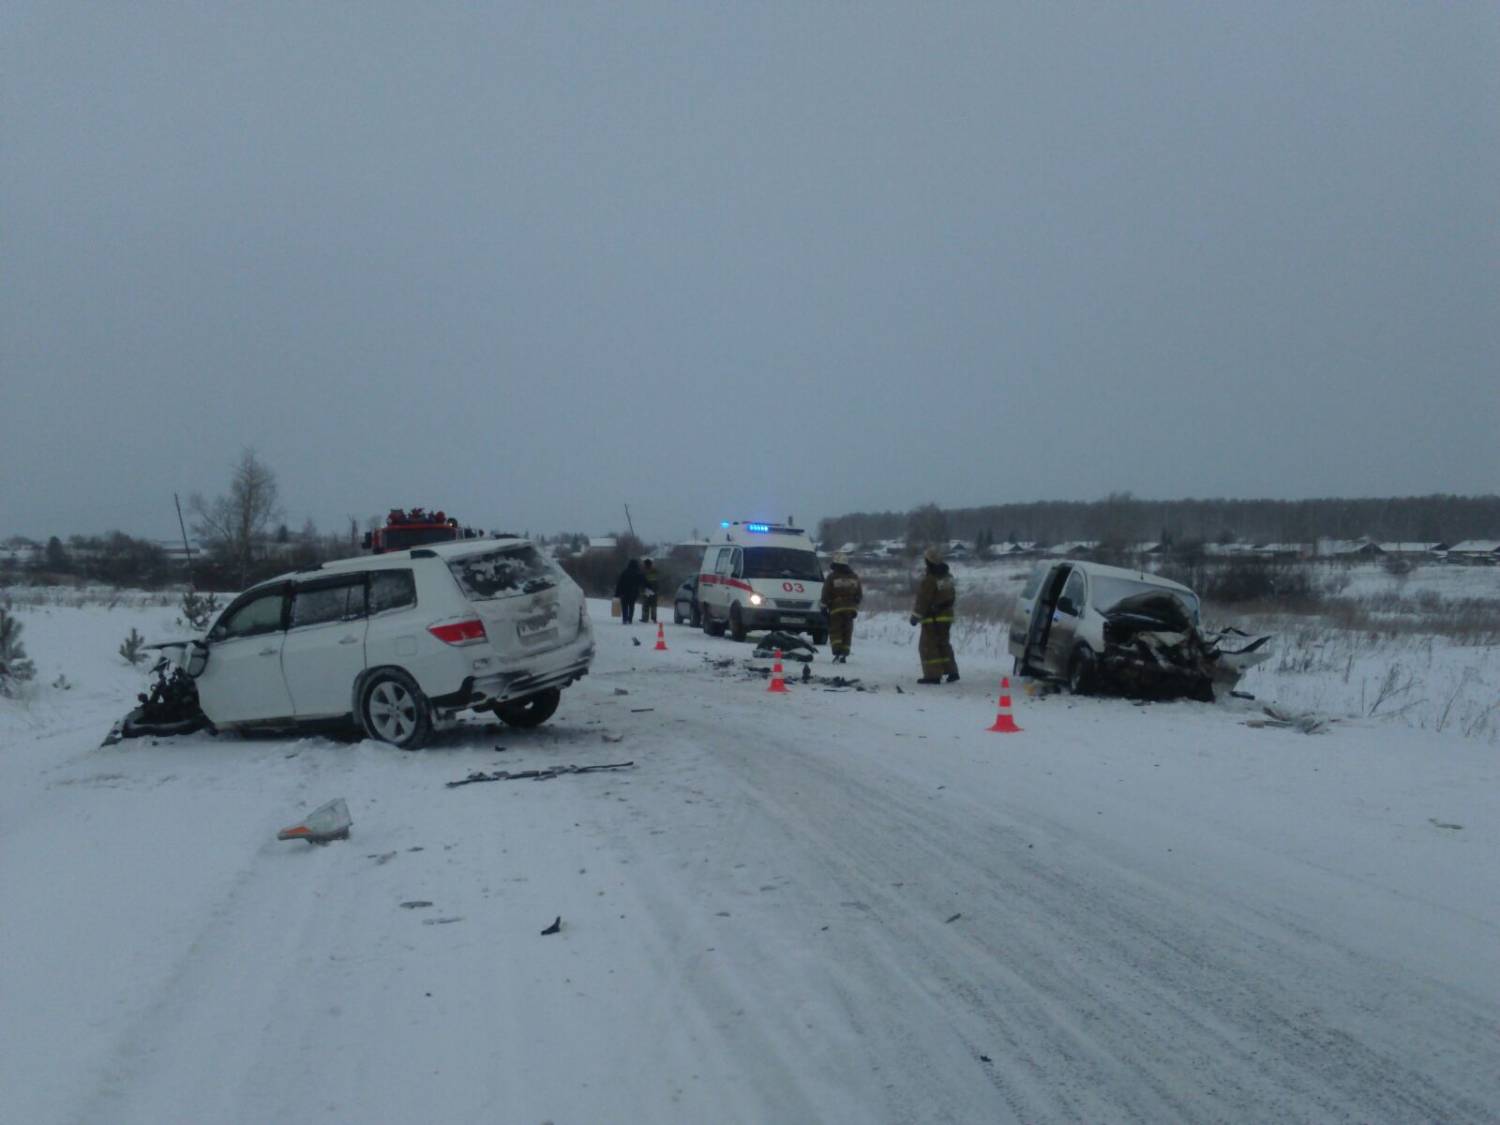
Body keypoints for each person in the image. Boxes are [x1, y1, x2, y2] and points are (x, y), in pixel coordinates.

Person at [910, 545, 958, 683]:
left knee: (927, 645)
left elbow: (923, 600)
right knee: (943, 643)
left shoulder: (930, 579)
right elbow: (952, 595)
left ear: (929, 562)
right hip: (947, 615)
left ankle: (933, 676)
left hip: (933, 617)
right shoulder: (948, 577)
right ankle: (952, 672)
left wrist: (915, 616)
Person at [819, 552, 863, 663]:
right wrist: (855, 602)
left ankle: (837, 653)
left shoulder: (832, 577)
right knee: (847, 631)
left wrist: (824, 607)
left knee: (836, 631)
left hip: (836, 608)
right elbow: (859, 594)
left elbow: (825, 593)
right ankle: (844, 653)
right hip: (850, 609)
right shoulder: (854, 576)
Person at [614, 558, 645, 625]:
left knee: (624, 606)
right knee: (631, 606)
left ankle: (624, 619)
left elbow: (620, 583)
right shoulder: (638, 573)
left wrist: (617, 593)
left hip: (624, 592)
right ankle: (630, 619)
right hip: (634, 593)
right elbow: (642, 582)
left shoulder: (625, 572)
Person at [639, 558, 659, 624]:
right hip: (654, 590)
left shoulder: (643, 571)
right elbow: (656, 581)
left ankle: (645, 618)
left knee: (645, 604)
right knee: (654, 605)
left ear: (645, 564)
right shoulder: (655, 571)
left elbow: (642, 581)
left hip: (646, 590)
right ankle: (654, 618)